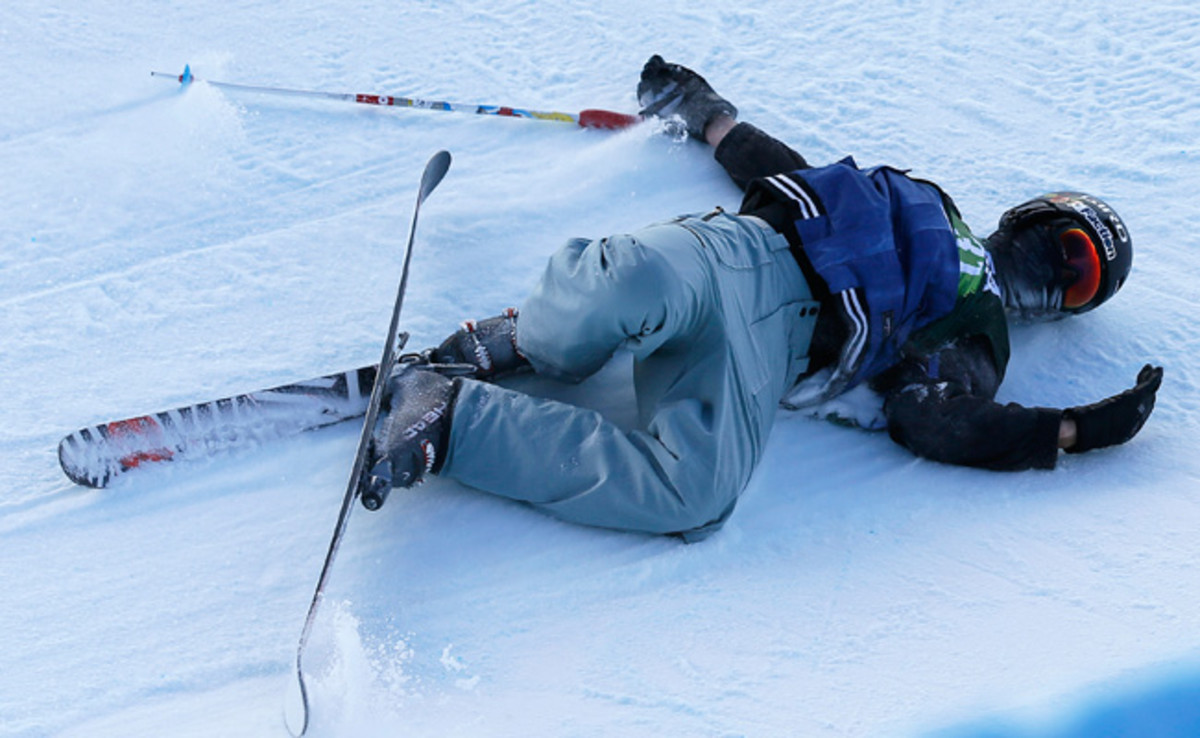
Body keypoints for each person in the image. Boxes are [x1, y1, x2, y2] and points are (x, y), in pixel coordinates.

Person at [368, 56, 1163, 541]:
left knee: (695, 495)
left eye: (1079, 281)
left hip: (763, 356)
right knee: (637, 279)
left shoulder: (980, 330)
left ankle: (449, 417)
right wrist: (709, 117)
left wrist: (1070, 430)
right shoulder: (933, 204)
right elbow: (796, 175)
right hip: (743, 252)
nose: (1055, 272)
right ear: (1031, 217)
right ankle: (529, 339)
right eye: (1067, 246)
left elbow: (933, 417)